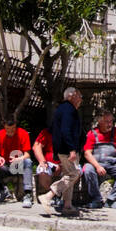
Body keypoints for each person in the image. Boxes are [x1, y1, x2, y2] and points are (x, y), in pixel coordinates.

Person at [41, 87, 83, 216]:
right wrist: (71, 149)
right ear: (72, 95)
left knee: (68, 174)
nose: (81, 99)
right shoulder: (68, 109)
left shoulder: (62, 109)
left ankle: (67, 205)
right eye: (79, 96)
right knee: (74, 174)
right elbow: (65, 130)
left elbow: (54, 129)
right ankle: (48, 195)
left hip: (63, 148)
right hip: (66, 150)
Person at [81, 110, 116, 210]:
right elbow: (87, 153)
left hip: (113, 163)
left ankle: (111, 200)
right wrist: (97, 166)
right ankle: (96, 199)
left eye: (111, 121)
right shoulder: (92, 133)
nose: (110, 124)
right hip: (96, 163)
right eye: (107, 122)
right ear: (100, 122)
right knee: (87, 169)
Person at [0, 116, 34, 207]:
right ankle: (2, 191)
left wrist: (18, 159)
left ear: (16, 125)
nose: (10, 131)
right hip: (4, 165)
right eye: (8, 129)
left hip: (18, 165)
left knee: (28, 162)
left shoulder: (23, 133)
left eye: (13, 128)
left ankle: (27, 194)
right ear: (4, 126)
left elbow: (27, 154)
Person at [32, 126, 59, 200]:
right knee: (42, 170)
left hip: (67, 163)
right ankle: (52, 195)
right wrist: (42, 161)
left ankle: (58, 196)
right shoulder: (47, 132)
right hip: (50, 163)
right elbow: (36, 146)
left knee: (76, 171)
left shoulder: (71, 131)